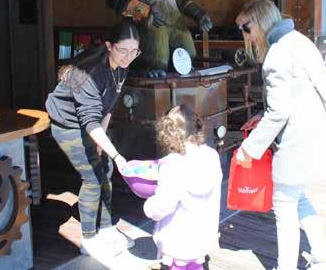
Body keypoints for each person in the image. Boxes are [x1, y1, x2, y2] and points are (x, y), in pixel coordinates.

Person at [235, 0, 326, 270]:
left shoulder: (277, 55)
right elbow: (300, 94)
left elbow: (279, 112)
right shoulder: (300, 41)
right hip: (316, 134)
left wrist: (248, 149)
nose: (246, 36)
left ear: (259, 21)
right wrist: (264, 114)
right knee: (297, 197)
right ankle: (321, 252)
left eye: (246, 28)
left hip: (296, 142)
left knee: (284, 206)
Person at [45, 18, 141, 260]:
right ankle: (88, 239)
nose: (128, 57)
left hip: (92, 123)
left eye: (134, 51)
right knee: (92, 176)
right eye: (123, 50)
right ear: (109, 46)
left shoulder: (121, 66)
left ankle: (106, 228)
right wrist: (117, 154)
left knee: (106, 169)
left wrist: (101, 143)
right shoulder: (91, 73)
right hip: (67, 124)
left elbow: (108, 107)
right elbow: (89, 120)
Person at [143, 105, 222, 270]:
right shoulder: (211, 156)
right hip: (202, 240)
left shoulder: (171, 164)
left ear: (169, 134)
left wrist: (148, 207)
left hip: (177, 243)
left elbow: (163, 205)